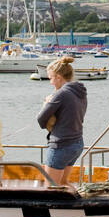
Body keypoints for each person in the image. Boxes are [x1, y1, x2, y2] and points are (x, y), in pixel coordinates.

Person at [37, 56, 88, 185]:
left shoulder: (61, 94)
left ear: (59, 77)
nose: (51, 82)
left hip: (61, 145)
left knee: (51, 187)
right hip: (77, 143)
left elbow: (41, 120)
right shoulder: (80, 92)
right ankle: (77, 203)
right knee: (64, 183)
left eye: (51, 78)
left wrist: (47, 103)